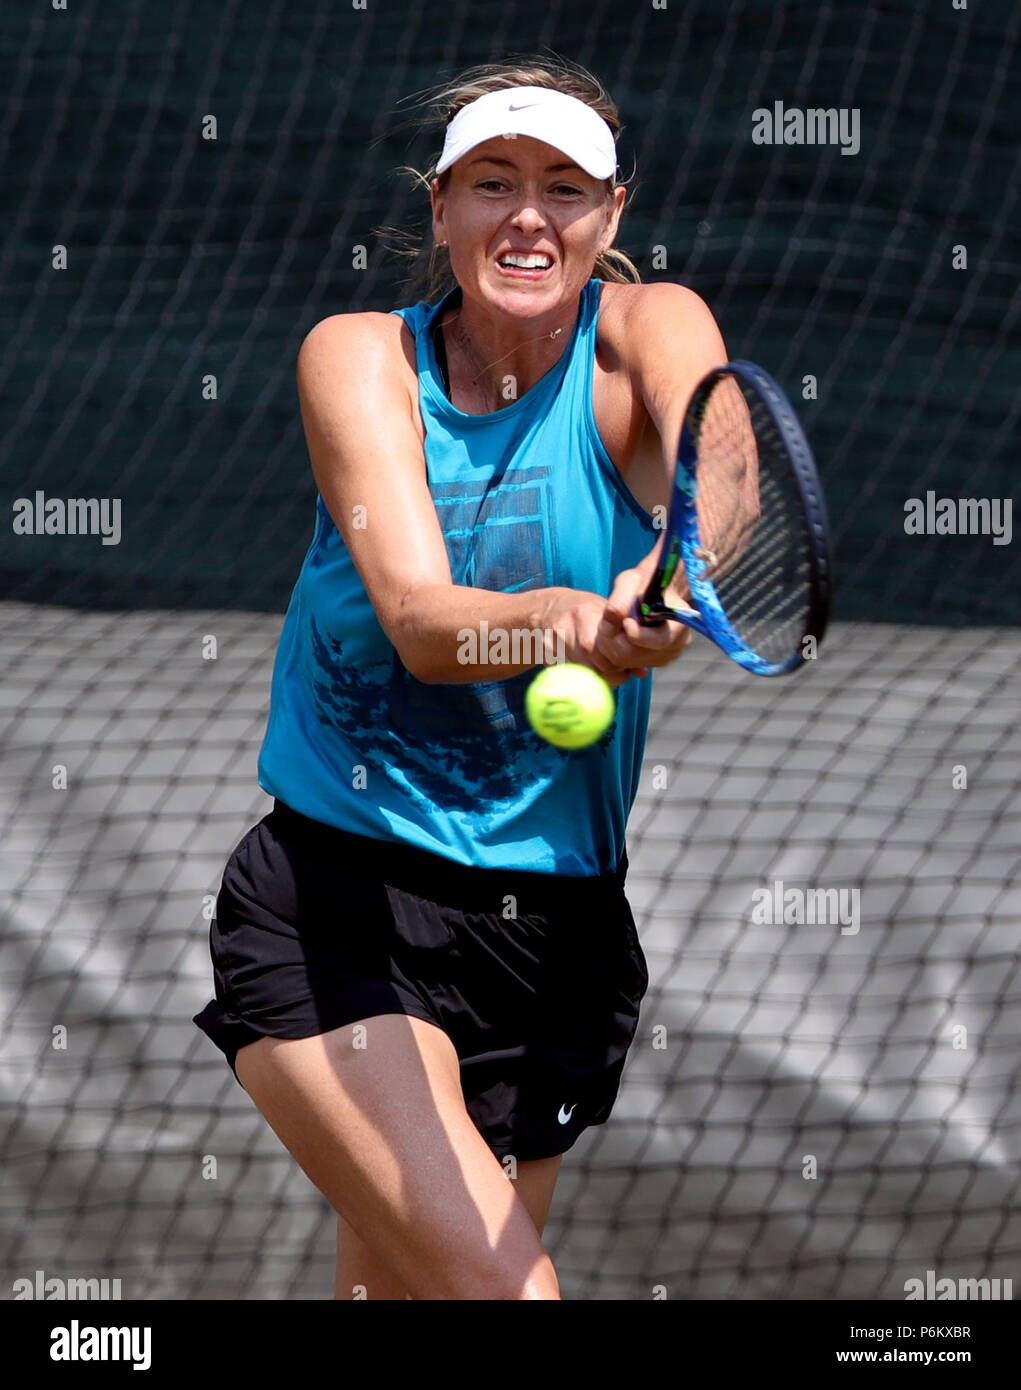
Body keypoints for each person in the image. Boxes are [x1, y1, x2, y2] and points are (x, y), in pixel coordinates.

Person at [193, 55, 729, 1301]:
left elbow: (729, 473)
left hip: (556, 941)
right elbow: (427, 625)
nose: (528, 215)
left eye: (563, 186)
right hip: (342, 909)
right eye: (491, 183)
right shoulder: (357, 356)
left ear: (613, 213)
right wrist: (564, 622)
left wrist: (672, 574)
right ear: (439, 209)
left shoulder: (650, 331)